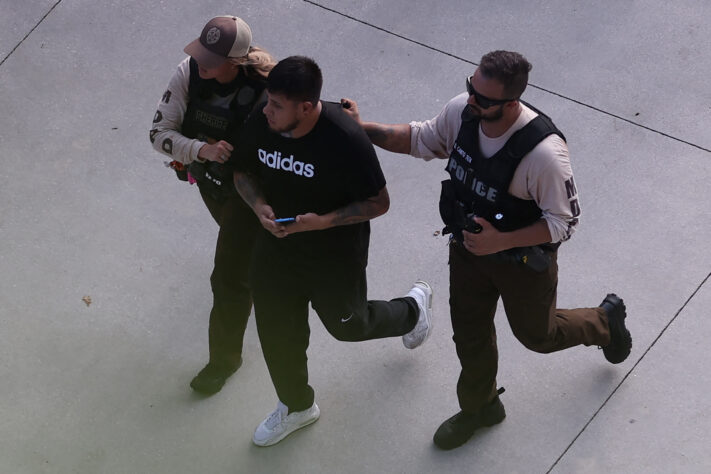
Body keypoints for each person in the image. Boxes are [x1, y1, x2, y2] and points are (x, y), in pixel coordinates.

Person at [341, 50, 632, 450]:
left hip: (521, 262)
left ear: (512, 102)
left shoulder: (544, 154)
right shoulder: (463, 111)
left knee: (538, 336)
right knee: (469, 332)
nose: (471, 100)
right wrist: (361, 130)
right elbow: (420, 138)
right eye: (470, 88)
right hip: (467, 250)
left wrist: (502, 240)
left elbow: (563, 223)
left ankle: (604, 321)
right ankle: (480, 407)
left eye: (483, 98)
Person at [231, 56, 433, 447]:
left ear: (306, 107)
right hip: (278, 246)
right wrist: (258, 207)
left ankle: (412, 310)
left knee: (348, 326)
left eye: (277, 105)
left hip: (333, 255)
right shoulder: (262, 119)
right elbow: (242, 171)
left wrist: (323, 221)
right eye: (268, 101)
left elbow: (378, 202)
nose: (267, 111)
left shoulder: (345, 138)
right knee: (277, 330)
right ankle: (296, 406)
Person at [149, 16, 276, 395]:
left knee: (228, 278)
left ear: (235, 61)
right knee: (241, 259)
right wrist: (201, 151)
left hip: (251, 191)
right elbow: (158, 134)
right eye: (201, 51)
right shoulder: (188, 73)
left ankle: (223, 361)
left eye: (212, 58)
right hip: (210, 181)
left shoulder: (268, 90)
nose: (201, 61)